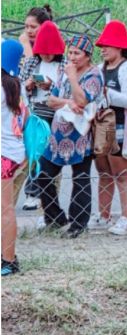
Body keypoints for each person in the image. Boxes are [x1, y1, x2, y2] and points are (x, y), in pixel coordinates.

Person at [38, 34, 104, 238]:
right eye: (71, 52)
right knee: (43, 174)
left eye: (77, 53)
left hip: (81, 134)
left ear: (88, 56)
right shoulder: (64, 71)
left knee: (81, 178)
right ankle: (55, 218)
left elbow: (83, 101)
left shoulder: (94, 75)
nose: (72, 57)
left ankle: (78, 224)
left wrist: (74, 79)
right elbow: (51, 100)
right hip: (58, 134)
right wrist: (68, 102)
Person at [94, 20, 127, 236]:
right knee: (103, 172)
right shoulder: (100, 69)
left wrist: (105, 93)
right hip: (100, 125)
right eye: (102, 46)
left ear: (120, 46)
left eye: (107, 45)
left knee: (122, 173)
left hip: (120, 124)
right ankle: (103, 215)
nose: (103, 49)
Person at [18, 18, 64, 211]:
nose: (45, 55)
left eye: (49, 52)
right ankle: (32, 193)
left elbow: (67, 91)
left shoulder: (64, 65)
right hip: (36, 113)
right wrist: (28, 85)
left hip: (57, 114)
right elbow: (19, 87)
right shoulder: (32, 63)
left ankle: (49, 200)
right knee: (34, 153)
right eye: (42, 52)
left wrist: (51, 86)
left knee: (52, 158)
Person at [2, 40, 28, 276]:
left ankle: (8, 260)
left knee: (5, 208)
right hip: (14, 152)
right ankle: (8, 257)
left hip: (2, 153)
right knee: (6, 208)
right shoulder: (16, 87)